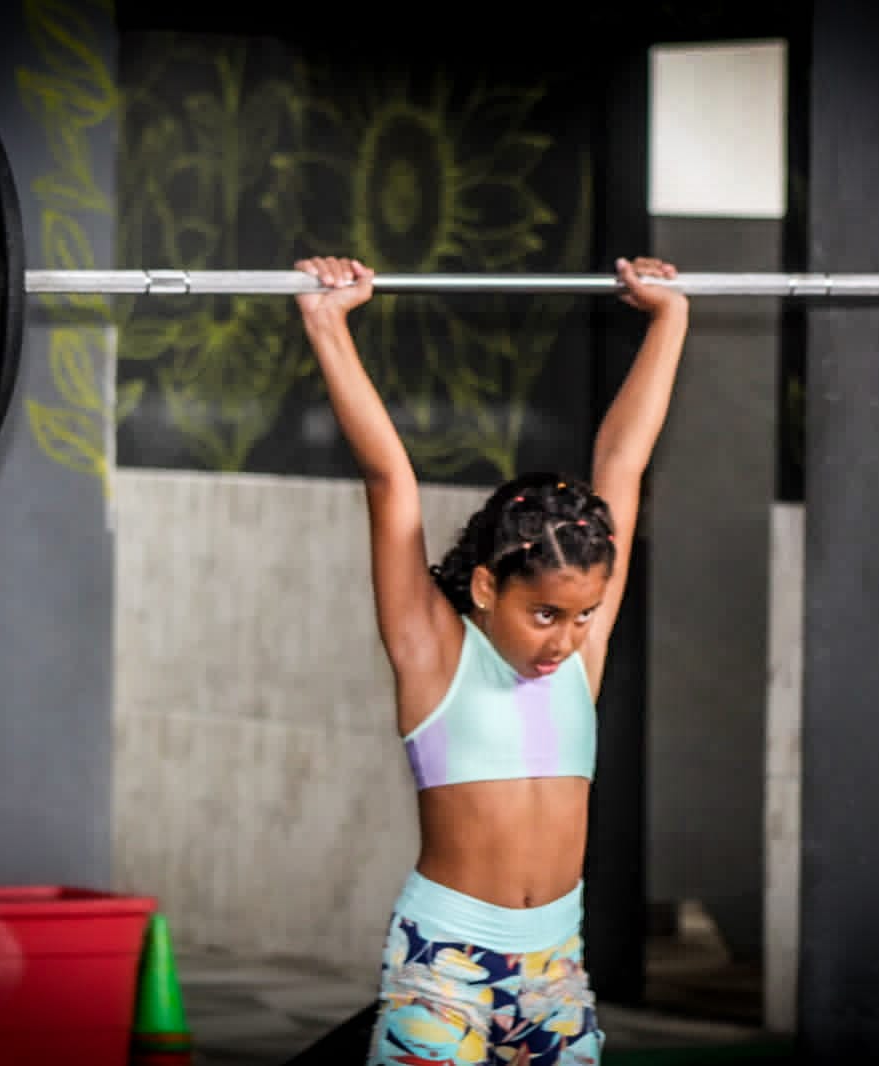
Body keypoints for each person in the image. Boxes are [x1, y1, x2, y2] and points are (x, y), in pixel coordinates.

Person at [294, 254, 689, 1065]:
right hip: (446, 966)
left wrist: (669, 317)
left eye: (582, 617)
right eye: (543, 614)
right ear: (484, 586)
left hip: (553, 968)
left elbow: (624, 461)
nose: (564, 637)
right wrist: (326, 322)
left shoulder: (578, 650)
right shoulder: (434, 652)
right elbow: (387, 477)